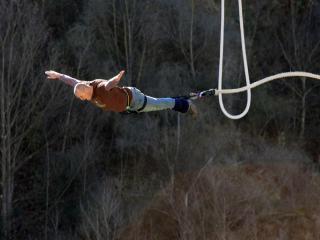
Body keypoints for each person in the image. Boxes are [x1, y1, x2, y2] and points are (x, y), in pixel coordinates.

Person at [45, 70, 197, 116]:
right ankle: (182, 103)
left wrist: (116, 78)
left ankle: (186, 105)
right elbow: (72, 81)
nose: (82, 100)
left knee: (159, 104)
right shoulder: (84, 86)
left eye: (81, 97)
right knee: (158, 103)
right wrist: (58, 76)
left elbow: (109, 84)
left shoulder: (100, 87)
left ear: (85, 91)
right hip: (128, 106)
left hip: (134, 100)